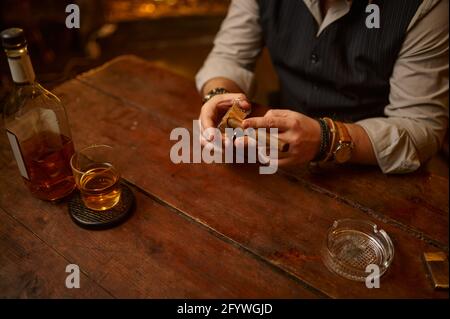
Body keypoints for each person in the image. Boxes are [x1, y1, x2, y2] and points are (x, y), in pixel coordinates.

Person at [196, 0, 448, 173]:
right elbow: (229, 57)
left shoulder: (426, 6)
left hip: (371, 167)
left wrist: (327, 139)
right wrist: (219, 94)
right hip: (281, 157)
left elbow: (420, 126)